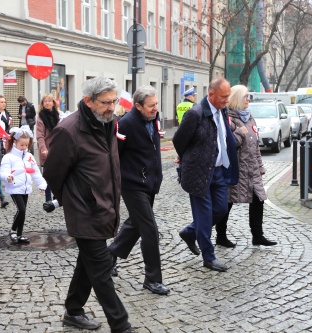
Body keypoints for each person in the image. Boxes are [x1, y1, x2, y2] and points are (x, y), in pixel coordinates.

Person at [43, 77, 135, 332]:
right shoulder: (69, 130)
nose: (112, 107)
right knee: (102, 267)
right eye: (106, 102)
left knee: (89, 262)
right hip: (84, 209)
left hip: (104, 205)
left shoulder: (108, 122)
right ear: (88, 101)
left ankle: (73, 311)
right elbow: (52, 172)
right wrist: (74, 199)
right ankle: (121, 324)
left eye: (114, 101)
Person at [108, 85, 169, 295]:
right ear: (138, 106)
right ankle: (152, 279)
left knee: (135, 224)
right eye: (151, 105)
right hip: (132, 184)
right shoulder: (125, 124)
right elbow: (116, 156)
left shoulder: (154, 118)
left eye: (156, 104)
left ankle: (109, 257)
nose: (155, 108)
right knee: (150, 229)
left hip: (150, 182)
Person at [173, 78, 239, 272]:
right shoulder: (196, 114)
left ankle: (189, 232)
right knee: (203, 215)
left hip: (217, 170)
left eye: (228, 96)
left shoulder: (222, 110)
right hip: (198, 172)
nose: (227, 100)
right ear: (211, 94)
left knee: (220, 209)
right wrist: (188, 158)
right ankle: (208, 257)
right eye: (224, 96)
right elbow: (179, 140)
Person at [215, 85, 277, 248]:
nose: (248, 99)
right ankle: (220, 236)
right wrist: (240, 132)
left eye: (249, 96)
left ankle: (258, 236)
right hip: (236, 170)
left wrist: (260, 166)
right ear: (237, 98)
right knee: (227, 203)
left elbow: (255, 145)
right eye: (245, 97)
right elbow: (230, 144)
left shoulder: (249, 117)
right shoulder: (228, 118)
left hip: (252, 170)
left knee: (258, 201)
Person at [0, 125, 47, 245]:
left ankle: (20, 234)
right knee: (21, 209)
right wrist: (7, 177)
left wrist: (42, 185)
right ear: (15, 142)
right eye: (22, 145)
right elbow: (3, 171)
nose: (24, 147)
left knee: (23, 211)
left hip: (25, 187)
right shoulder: (8, 157)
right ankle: (13, 231)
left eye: (26, 145)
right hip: (14, 187)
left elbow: (35, 172)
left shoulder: (29, 157)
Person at [35, 93, 60, 203]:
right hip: (46, 148)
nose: (47, 103)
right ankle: (48, 198)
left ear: (53, 103)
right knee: (48, 175)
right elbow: (40, 136)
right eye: (45, 101)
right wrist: (43, 149)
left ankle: (57, 195)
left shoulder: (57, 115)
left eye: (49, 101)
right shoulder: (41, 116)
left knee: (58, 173)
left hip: (57, 148)